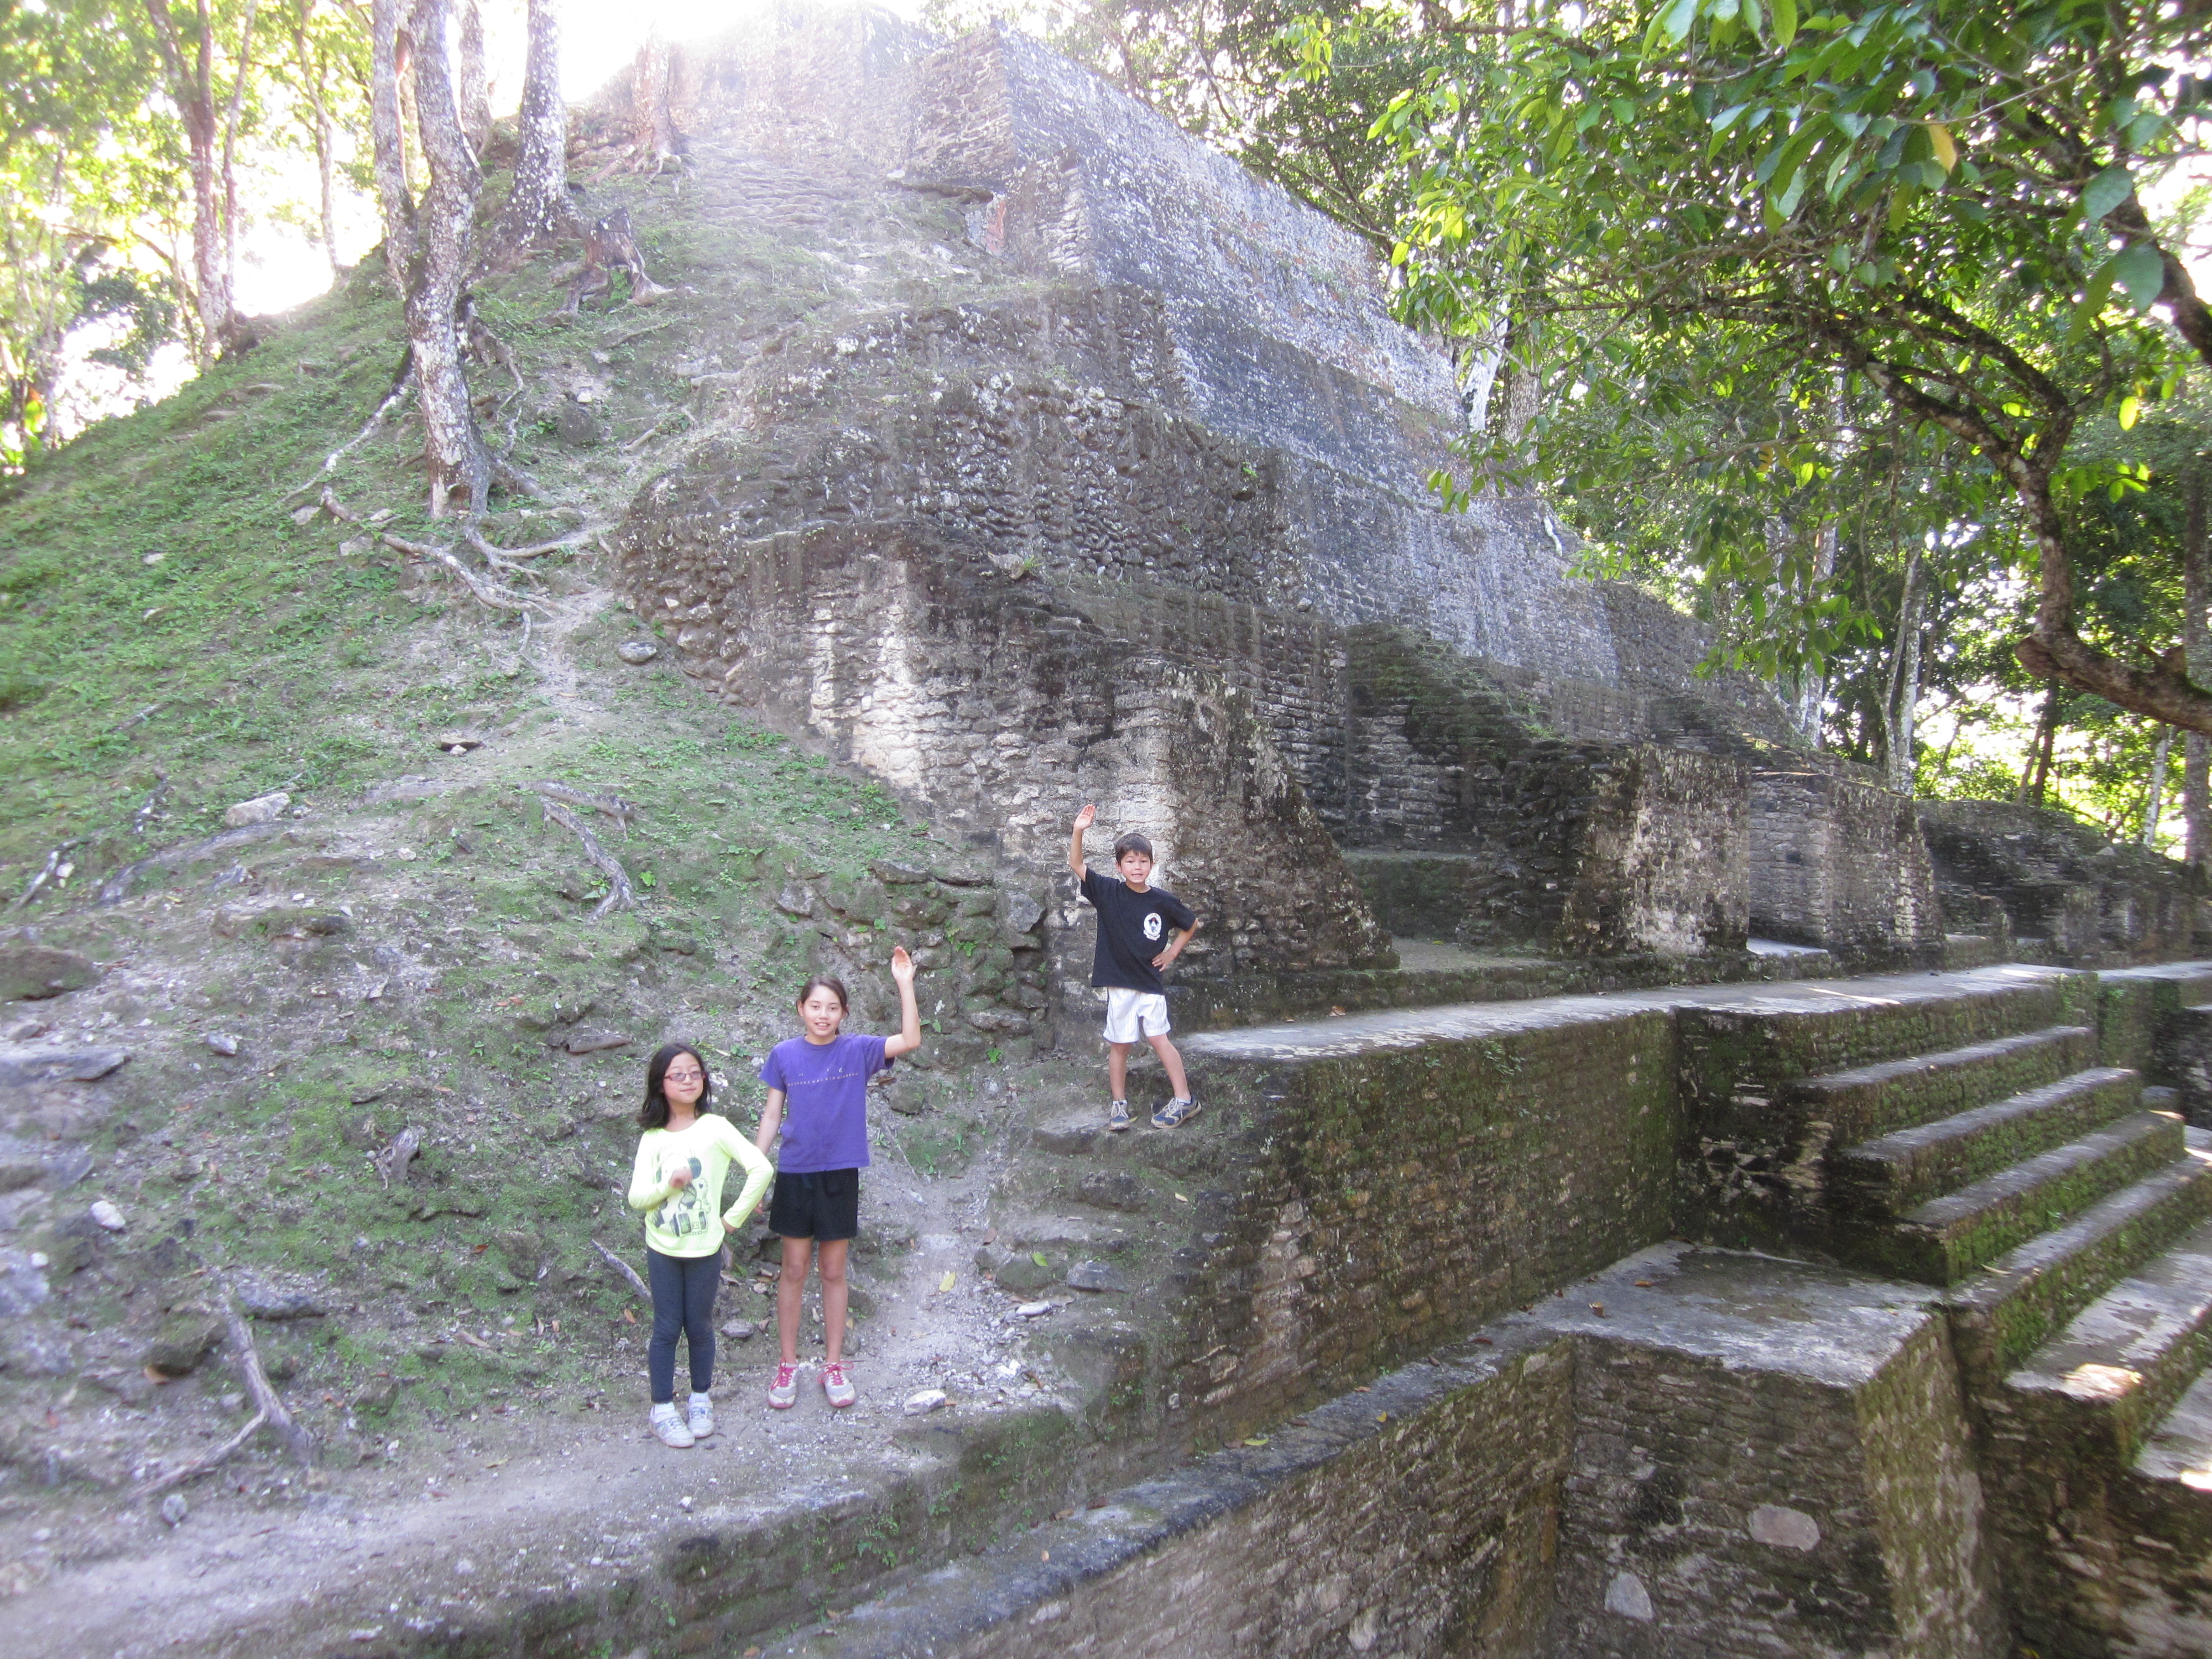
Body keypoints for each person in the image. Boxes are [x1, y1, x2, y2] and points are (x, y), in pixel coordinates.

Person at [754, 946, 921, 1410]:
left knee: (833, 1271)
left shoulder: (857, 1051)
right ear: (800, 1009)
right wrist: (755, 1171)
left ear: (844, 1013)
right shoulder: (783, 1055)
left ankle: (833, 1364)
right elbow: (771, 1116)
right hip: (795, 1172)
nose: (823, 1015)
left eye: (832, 1008)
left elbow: (910, 1040)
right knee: (793, 1269)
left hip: (839, 1174)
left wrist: (905, 983)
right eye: (815, 1006)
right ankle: (788, 1364)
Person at [626, 1042, 775, 1449]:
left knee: (700, 1326)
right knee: (666, 1327)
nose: (688, 1080)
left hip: (705, 1249)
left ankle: (700, 1400)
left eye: (695, 1073)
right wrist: (668, 1185)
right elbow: (637, 1198)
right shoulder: (652, 1138)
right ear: (660, 1084)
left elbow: (761, 1168)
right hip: (662, 1248)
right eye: (678, 1075)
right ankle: (661, 1409)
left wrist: (731, 1220)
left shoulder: (715, 1128)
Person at [1067, 803, 1201, 1131]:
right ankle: (1119, 1105)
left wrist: (1172, 953)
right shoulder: (1108, 892)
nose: (1137, 867)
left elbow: (1191, 924)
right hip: (1120, 984)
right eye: (1130, 861)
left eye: (1143, 861)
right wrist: (1078, 830)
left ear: (1152, 865)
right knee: (1121, 1045)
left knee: (1159, 1039)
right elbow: (1076, 864)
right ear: (1119, 866)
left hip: (1150, 983)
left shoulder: (1162, 900)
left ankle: (1185, 1100)